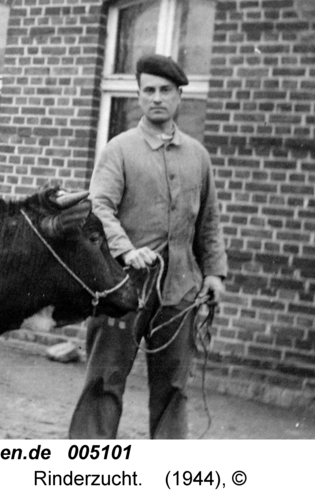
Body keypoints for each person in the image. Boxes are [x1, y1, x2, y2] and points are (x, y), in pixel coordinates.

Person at [68, 53, 227, 439]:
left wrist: (214, 273)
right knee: (105, 381)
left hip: (180, 292)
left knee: (173, 388)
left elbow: (209, 220)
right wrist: (126, 250)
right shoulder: (119, 150)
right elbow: (98, 208)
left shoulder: (198, 157)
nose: (157, 98)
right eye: (149, 91)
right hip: (122, 289)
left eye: (165, 91)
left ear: (178, 97)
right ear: (139, 96)